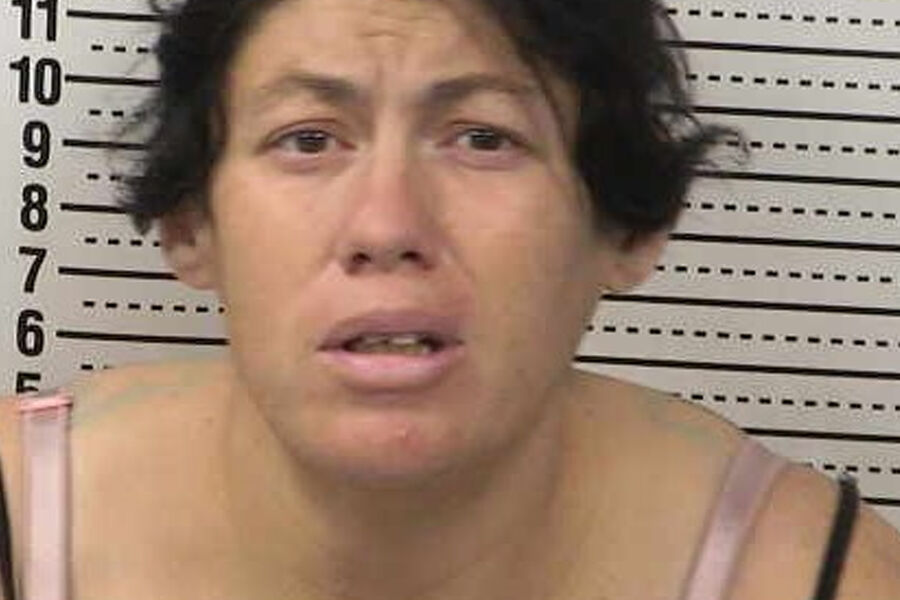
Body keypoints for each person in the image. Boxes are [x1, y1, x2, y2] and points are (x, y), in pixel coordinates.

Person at [2, 0, 899, 598]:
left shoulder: (810, 576)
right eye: (308, 138)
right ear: (190, 225)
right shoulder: (20, 519)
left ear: (627, 230)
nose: (387, 225)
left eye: (483, 138)